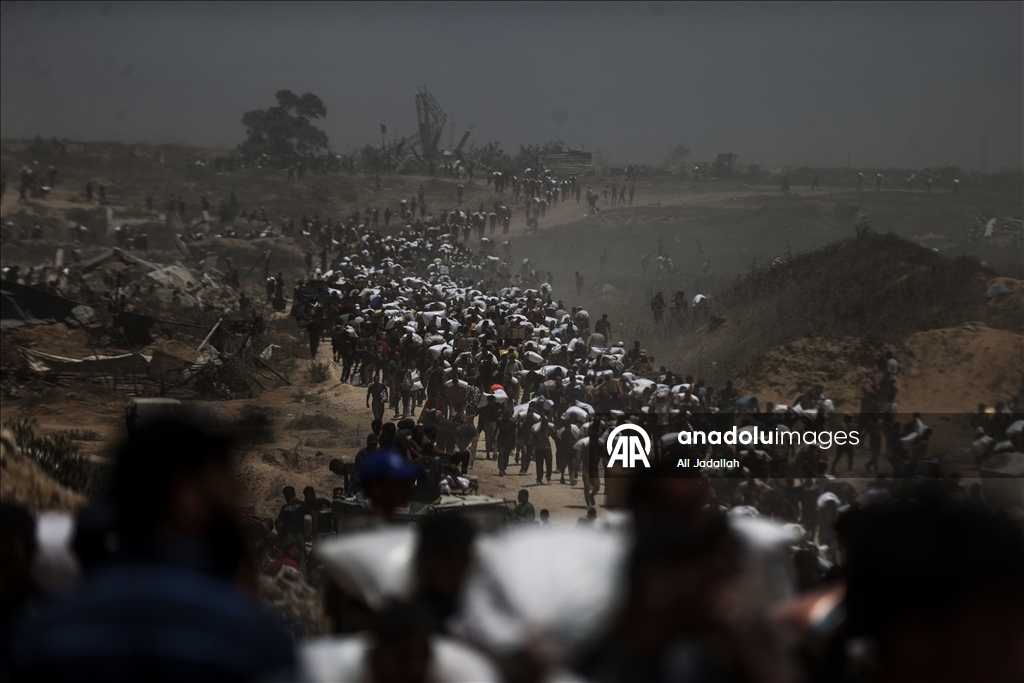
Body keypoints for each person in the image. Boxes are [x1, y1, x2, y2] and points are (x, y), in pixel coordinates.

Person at [8, 417, 297, 683]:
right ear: (185, 498)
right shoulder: (253, 642)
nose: (236, 498)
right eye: (226, 488)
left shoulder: (41, 637)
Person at [276, 486, 317, 576]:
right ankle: (303, 583)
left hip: (288, 538)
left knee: (283, 559)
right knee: (302, 560)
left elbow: (280, 525)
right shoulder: (302, 504)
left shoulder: (284, 507)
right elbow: (313, 514)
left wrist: (278, 540)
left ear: (286, 496)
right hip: (300, 536)